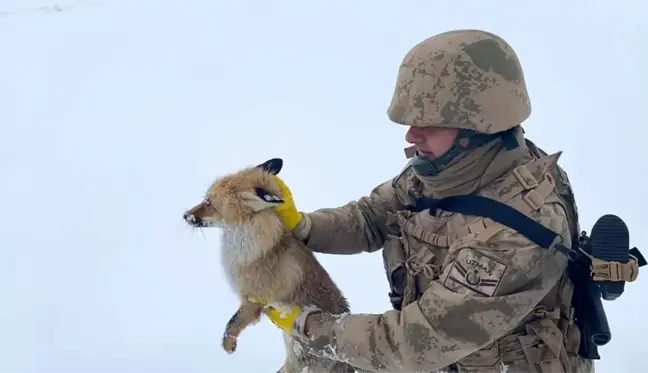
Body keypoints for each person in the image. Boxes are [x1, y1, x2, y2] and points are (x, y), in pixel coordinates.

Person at [264, 29, 594, 373]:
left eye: (429, 123)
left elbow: (414, 343)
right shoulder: (449, 168)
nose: (410, 135)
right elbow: (370, 217)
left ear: (478, 126)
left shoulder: (517, 234)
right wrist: (301, 226)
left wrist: (309, 326)